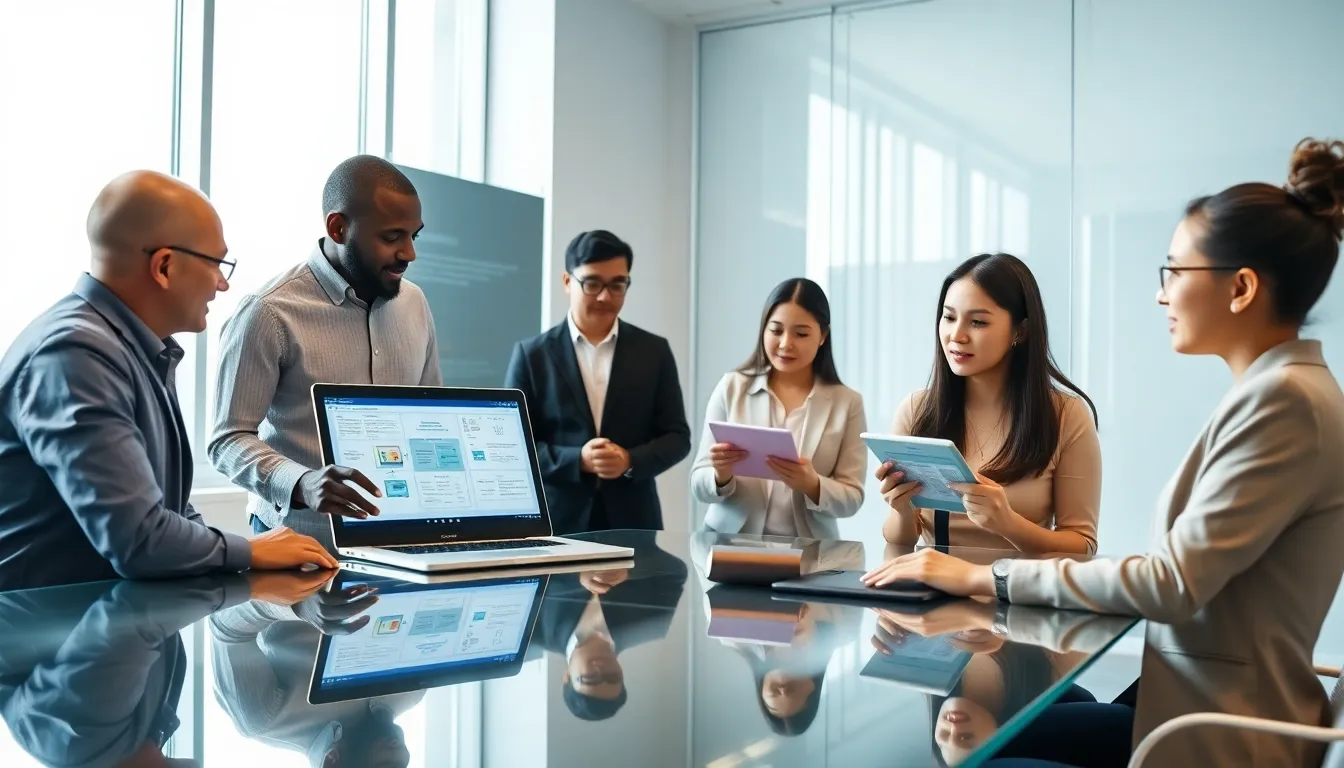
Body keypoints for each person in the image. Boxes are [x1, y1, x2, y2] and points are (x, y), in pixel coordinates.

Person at [863, 138, 1344, 768]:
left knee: (978, 757)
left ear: (1241, 287)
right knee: (993, 738)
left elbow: (1169, 582)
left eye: (1174, 271)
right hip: (1187, 700)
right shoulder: (1281, 393)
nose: (1161, 294)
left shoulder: (1284, 404)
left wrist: (983, 575)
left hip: (1214, 734)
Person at [0, 171, 337, 592]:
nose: (223, 282)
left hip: (107, 625)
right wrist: (251, 550)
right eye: (216, 263)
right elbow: (140, 540)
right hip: (45, 637)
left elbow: (169, 512)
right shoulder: (75, 354)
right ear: (164, 266)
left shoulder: (138, 349)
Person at [209, 155, 442, 550]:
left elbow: (430, 414)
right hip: (299, 545)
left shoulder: (415, 303)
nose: (409, 254)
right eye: (391, 237)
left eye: (413, 236)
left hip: (402, 546)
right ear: (338, 228)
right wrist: (301, 482)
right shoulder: (268, 311)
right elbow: (227, 439)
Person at [877, 253, 1101, 554]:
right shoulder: (916, 410)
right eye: (949, 317)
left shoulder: (1066, 416)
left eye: (978, 322)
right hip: (931, 592)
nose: (956, 335)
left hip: (1017, 592)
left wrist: (1007, 522)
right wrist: (901, 508)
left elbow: (1082, 544)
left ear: (1019, 331)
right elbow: (900, 540)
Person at [504, 230, 691, 534]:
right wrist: (577, 460)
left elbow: (677, 437)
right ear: (567, 282)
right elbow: (512, 447)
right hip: (557, 524)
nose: (605, 296)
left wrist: (630, 460)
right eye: (592, 283)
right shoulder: (532, 355)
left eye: (618, 284)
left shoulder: (654, 351)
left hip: (635, 524)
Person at [691, 278, 866, 539]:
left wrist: (813, 485)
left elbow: (853, 498)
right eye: (776, 331)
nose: (785, 344)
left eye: (801, 333)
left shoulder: (847, 402)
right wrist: (720, 475)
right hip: (730, 545)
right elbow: (698, 484)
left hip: (809, 554)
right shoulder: (732, 387)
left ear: (823, 336)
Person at [531, 529, 689, 721]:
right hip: (628, 514)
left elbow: (525, 568)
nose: (600, 670)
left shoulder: (534, 633)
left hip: (561, 516)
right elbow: (676, 572)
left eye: (590, 679)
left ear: (566, 677)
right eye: (612, 677)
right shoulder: (650, 626)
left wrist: (576, 573)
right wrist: (630, 570)